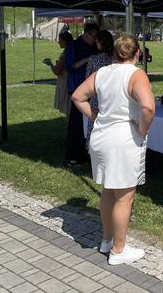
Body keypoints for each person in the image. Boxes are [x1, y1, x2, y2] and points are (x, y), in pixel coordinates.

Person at [72, 36, 155, 265]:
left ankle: (107, 240)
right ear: (137, 53)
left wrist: (94, 116)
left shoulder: (102, 72)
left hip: (101, 137)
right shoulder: (136, 74)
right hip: (123, 139)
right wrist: (143, 128)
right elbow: (148, 106)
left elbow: (78, 96)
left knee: (108, 190)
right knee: (125, 196)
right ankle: (118, 249)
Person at [64, 22, 99, 166]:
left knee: (90, 122)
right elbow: (70, 67)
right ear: (87, 33)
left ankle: (86, 152)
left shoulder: (93, 46)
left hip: (92, 89)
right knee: (76, 122)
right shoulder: (73, 46)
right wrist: (88, 59)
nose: (95, 40)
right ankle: (73, 155)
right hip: (77, 88)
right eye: (94, 36)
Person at [84, 30, 115, 146]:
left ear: (100, 42)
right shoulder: (115, 59)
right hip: (112, 98)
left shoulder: (94, 60)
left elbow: (87, 79)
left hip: (97, 97)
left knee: (95, 127)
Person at [44, 30, 74, 116]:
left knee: (68, 110)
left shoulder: (65, 54)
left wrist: (50, 64)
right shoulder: (71, 51)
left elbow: (57, 71)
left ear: (65, 41)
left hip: (65, 83)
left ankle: (70, 128)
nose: (58, 42)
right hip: (69, 81)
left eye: (60, 40)